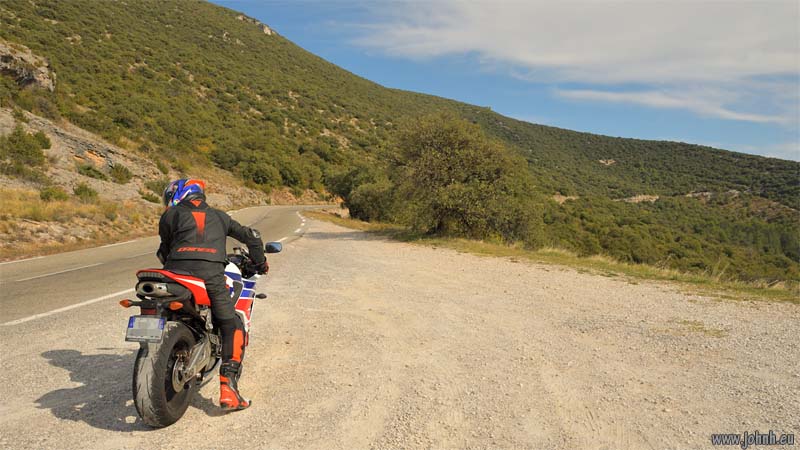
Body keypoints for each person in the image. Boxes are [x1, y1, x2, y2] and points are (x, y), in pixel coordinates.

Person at [157, 178, 268, 411]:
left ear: (179, 195)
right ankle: (229, 389)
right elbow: (253, 237)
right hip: (210, 276)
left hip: (174, 274)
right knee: (232, 324)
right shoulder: (220, 216)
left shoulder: (170, 216)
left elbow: (164, 250)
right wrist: (260, 263)